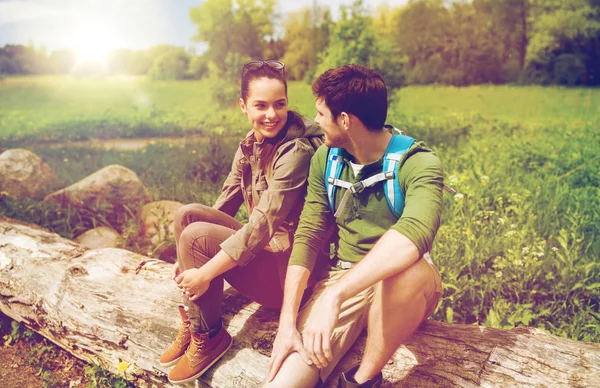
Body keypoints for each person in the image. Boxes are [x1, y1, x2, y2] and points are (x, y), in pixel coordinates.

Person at [265, 64, 444, 388]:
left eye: (321, 113)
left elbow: (413, 236)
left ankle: (363, 381)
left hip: (403, 283)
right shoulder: (325, 159)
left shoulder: (417, 162)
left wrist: (336, 296)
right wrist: (287, 323)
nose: (315, 121)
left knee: (407, 271)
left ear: (345, 121)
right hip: (343, 279)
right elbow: (308, 235)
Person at [159, 60, 324, 385]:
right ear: (243, 106)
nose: (271, 114)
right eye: (260, 105)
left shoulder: (296, 151)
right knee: (187, 216)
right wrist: (185, 253)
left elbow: (264, 223)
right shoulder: (251, 144)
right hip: (269, 253)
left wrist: (204, 270)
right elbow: (225, 202)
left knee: (195, 237)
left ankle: (209, 336)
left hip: (292, 277)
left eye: (280, 104)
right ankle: (197, 321)